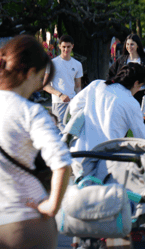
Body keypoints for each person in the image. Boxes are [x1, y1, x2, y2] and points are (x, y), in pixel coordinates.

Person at [0, 35, 72, 249]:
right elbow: (62, 163)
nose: (41, 85)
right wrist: (52, 206)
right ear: (30, 73)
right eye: (41, 77)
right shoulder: (31, 112)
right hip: (26, 223)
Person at [69, 63, 145, 153]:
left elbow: (74, 107)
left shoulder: (96, 85)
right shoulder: (131, 103)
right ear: (136, 83)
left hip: (79, 153)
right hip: (106, 159)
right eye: (140, 86)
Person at [43, 34, 83, 131]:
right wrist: (60, 95)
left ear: (72, 46)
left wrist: (80, 100)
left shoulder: (77, 64)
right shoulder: (52, 63)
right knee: (61, 130)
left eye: (68, 47)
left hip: (73, 102)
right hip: (59, 103)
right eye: (64, 47)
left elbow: (78, 87)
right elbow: (45, 85)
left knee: (75, 130)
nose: (66, 49)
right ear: (59, 46)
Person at [109, 34, 145, 104]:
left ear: (138, 45)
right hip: (124, 95)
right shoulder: (121, 61)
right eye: (127, 44)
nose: (129, 47)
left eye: (132, 44)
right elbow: (111, 74)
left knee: (143, 115)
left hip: (143, 95)